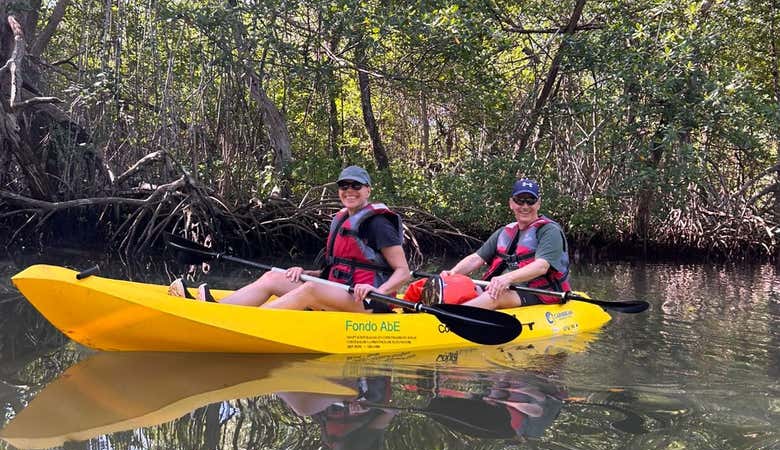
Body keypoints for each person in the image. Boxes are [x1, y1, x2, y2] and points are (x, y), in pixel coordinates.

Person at [169, 165, 410, 313]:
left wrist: (377, 289)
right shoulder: (341, 219)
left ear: (368, 190)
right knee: (275, 276)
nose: (349, 190)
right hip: (340, 291)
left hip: (370, 300)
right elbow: (335, 271)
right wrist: (304, 271)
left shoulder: (378, 224)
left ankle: (246, 322)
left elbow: (403, 272)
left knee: (311, 290)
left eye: (356, 186)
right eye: (343, 186)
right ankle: (218, 310)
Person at [441, 177, 571, 309]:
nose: (525, 206)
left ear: (538, 204)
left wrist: (506, 278)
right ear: (511, 203)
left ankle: (450, 319)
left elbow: (541, 266)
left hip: (539, 293)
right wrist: (452, 274)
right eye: (519, 201)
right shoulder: (505, 232)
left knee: (494, 295)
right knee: (459, 288)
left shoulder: (549, 231)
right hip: (510, 288)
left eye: (530, 201)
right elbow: (476, 258)